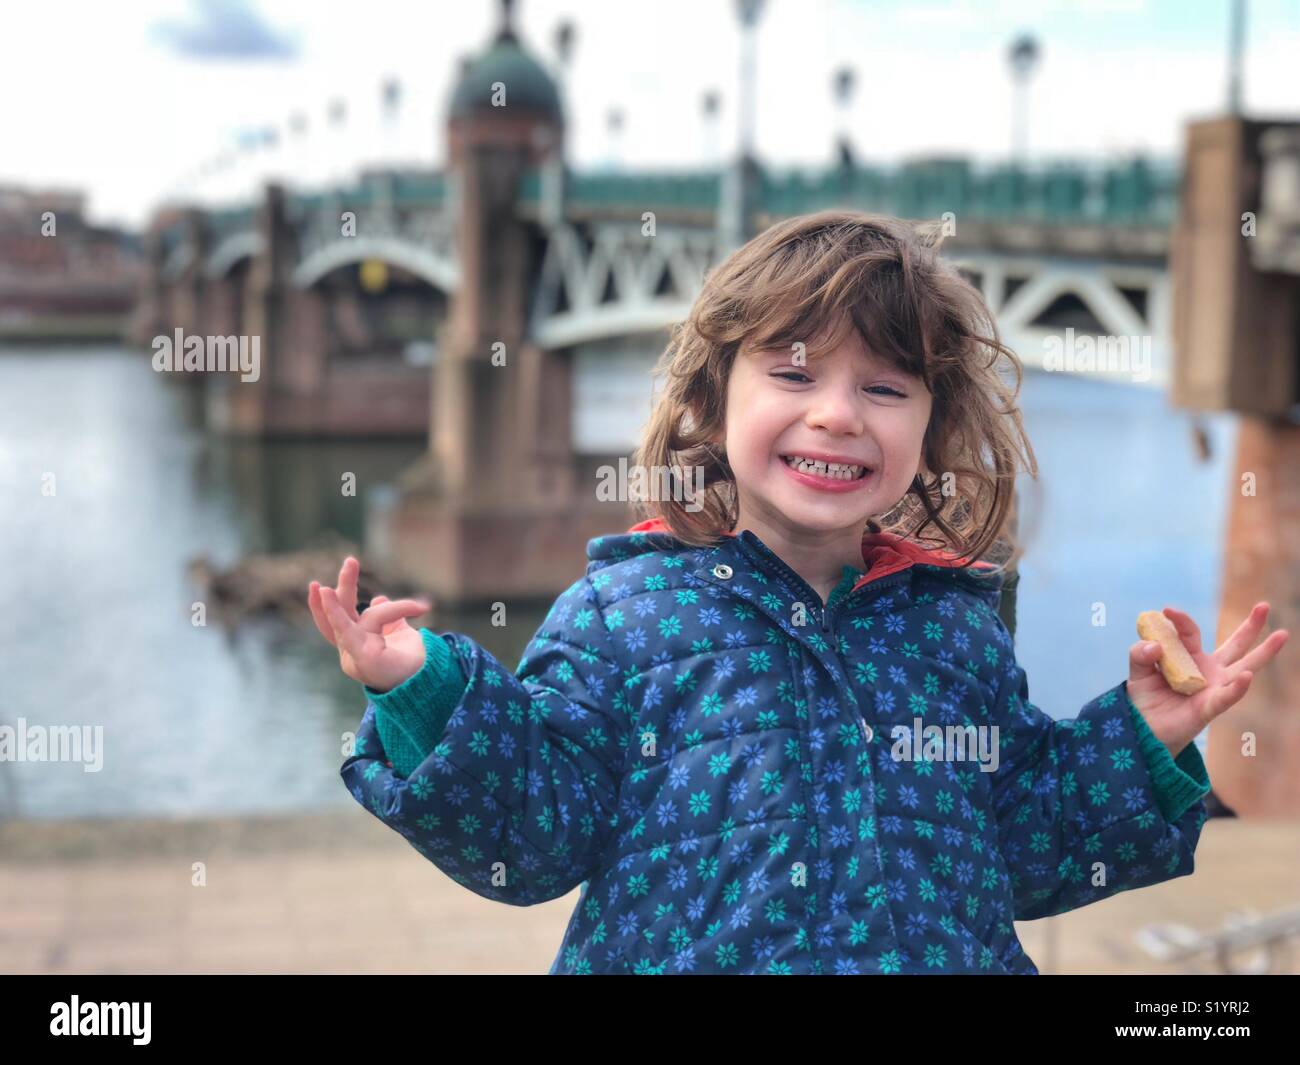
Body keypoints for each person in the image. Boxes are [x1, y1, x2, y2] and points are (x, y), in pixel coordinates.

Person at [309, 210, 1289, 974]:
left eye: (885, 389)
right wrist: (423, 692)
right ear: (711, 399)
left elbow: (1019, 846)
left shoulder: (955, 627)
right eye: (791, 373)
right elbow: (531, 838)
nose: (835, 415)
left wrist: (1141, 736)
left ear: (930, 427)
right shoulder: (623, 619)